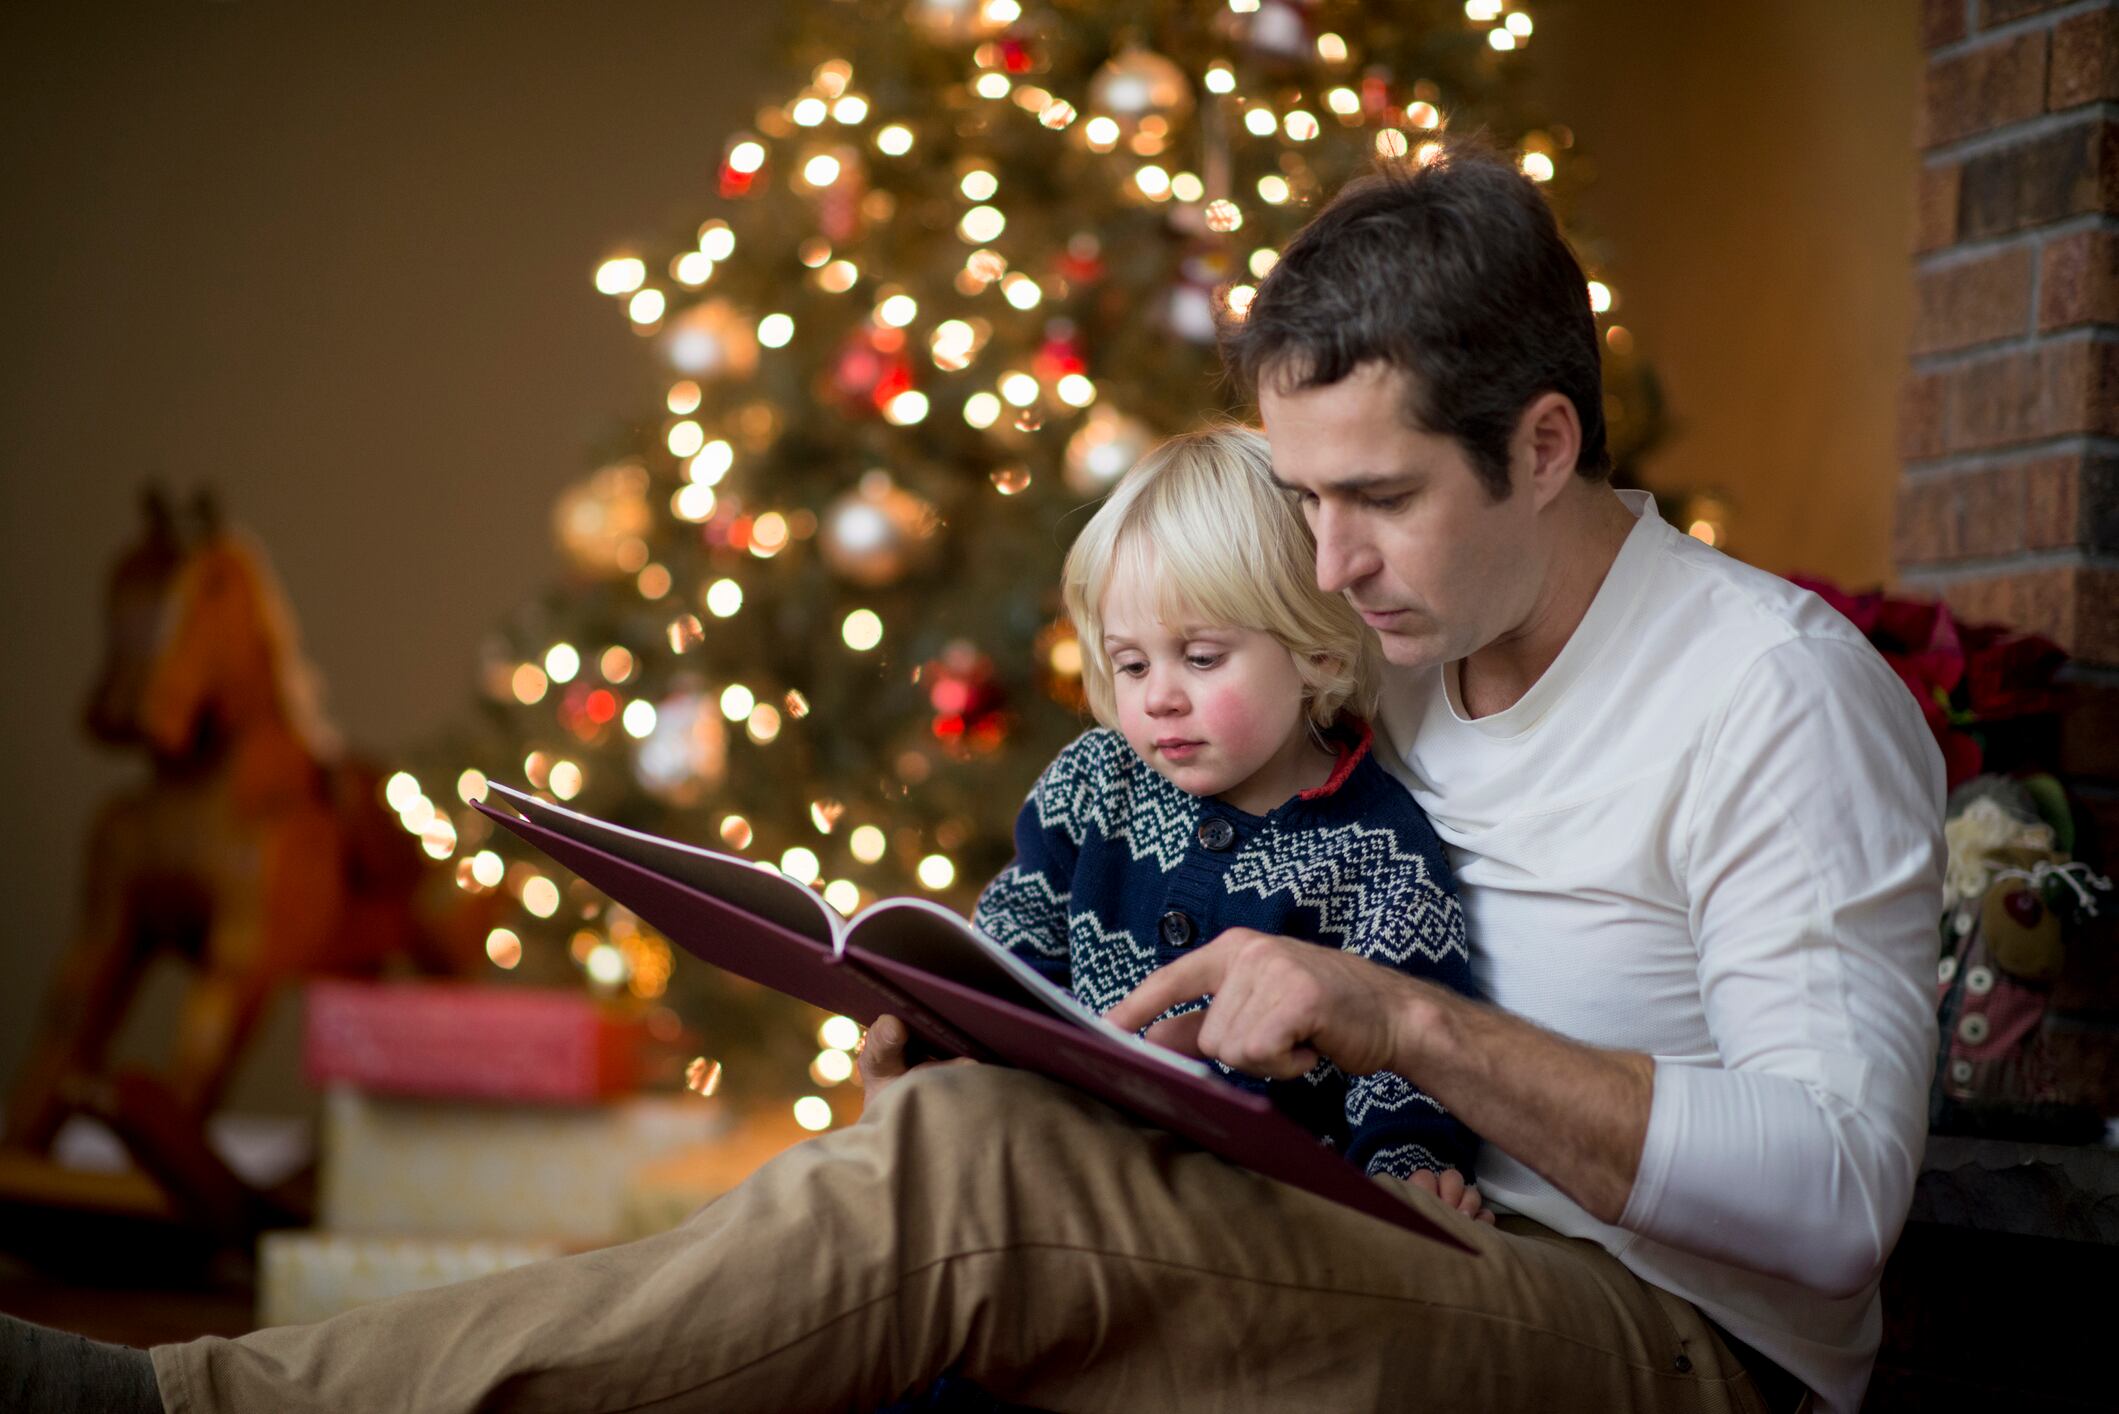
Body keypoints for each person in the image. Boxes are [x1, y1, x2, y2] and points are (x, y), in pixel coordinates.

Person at [6, 143, 1940, 1414]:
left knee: (972, 1196)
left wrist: (1387, 1015)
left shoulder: (1771, 692)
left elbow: (1838, 1202)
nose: (1327, 567)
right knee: (931, 1166)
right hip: (1367, 1221)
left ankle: (197, 1408)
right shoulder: (1396, 651)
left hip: (1665, 1342)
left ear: (1539, 445)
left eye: (1377, 501)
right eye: (1298, 502)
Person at [972, 424, 1484, 1193]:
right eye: (1131, 663)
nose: (1159, 697)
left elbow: (1409, 1052)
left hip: (1262, 1201)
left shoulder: (1379, 851)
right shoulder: (1092, 782)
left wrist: (1406, 1162)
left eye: (1201, 658)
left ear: (1317, 651)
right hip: (1071, 1149)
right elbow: (1013, 950)